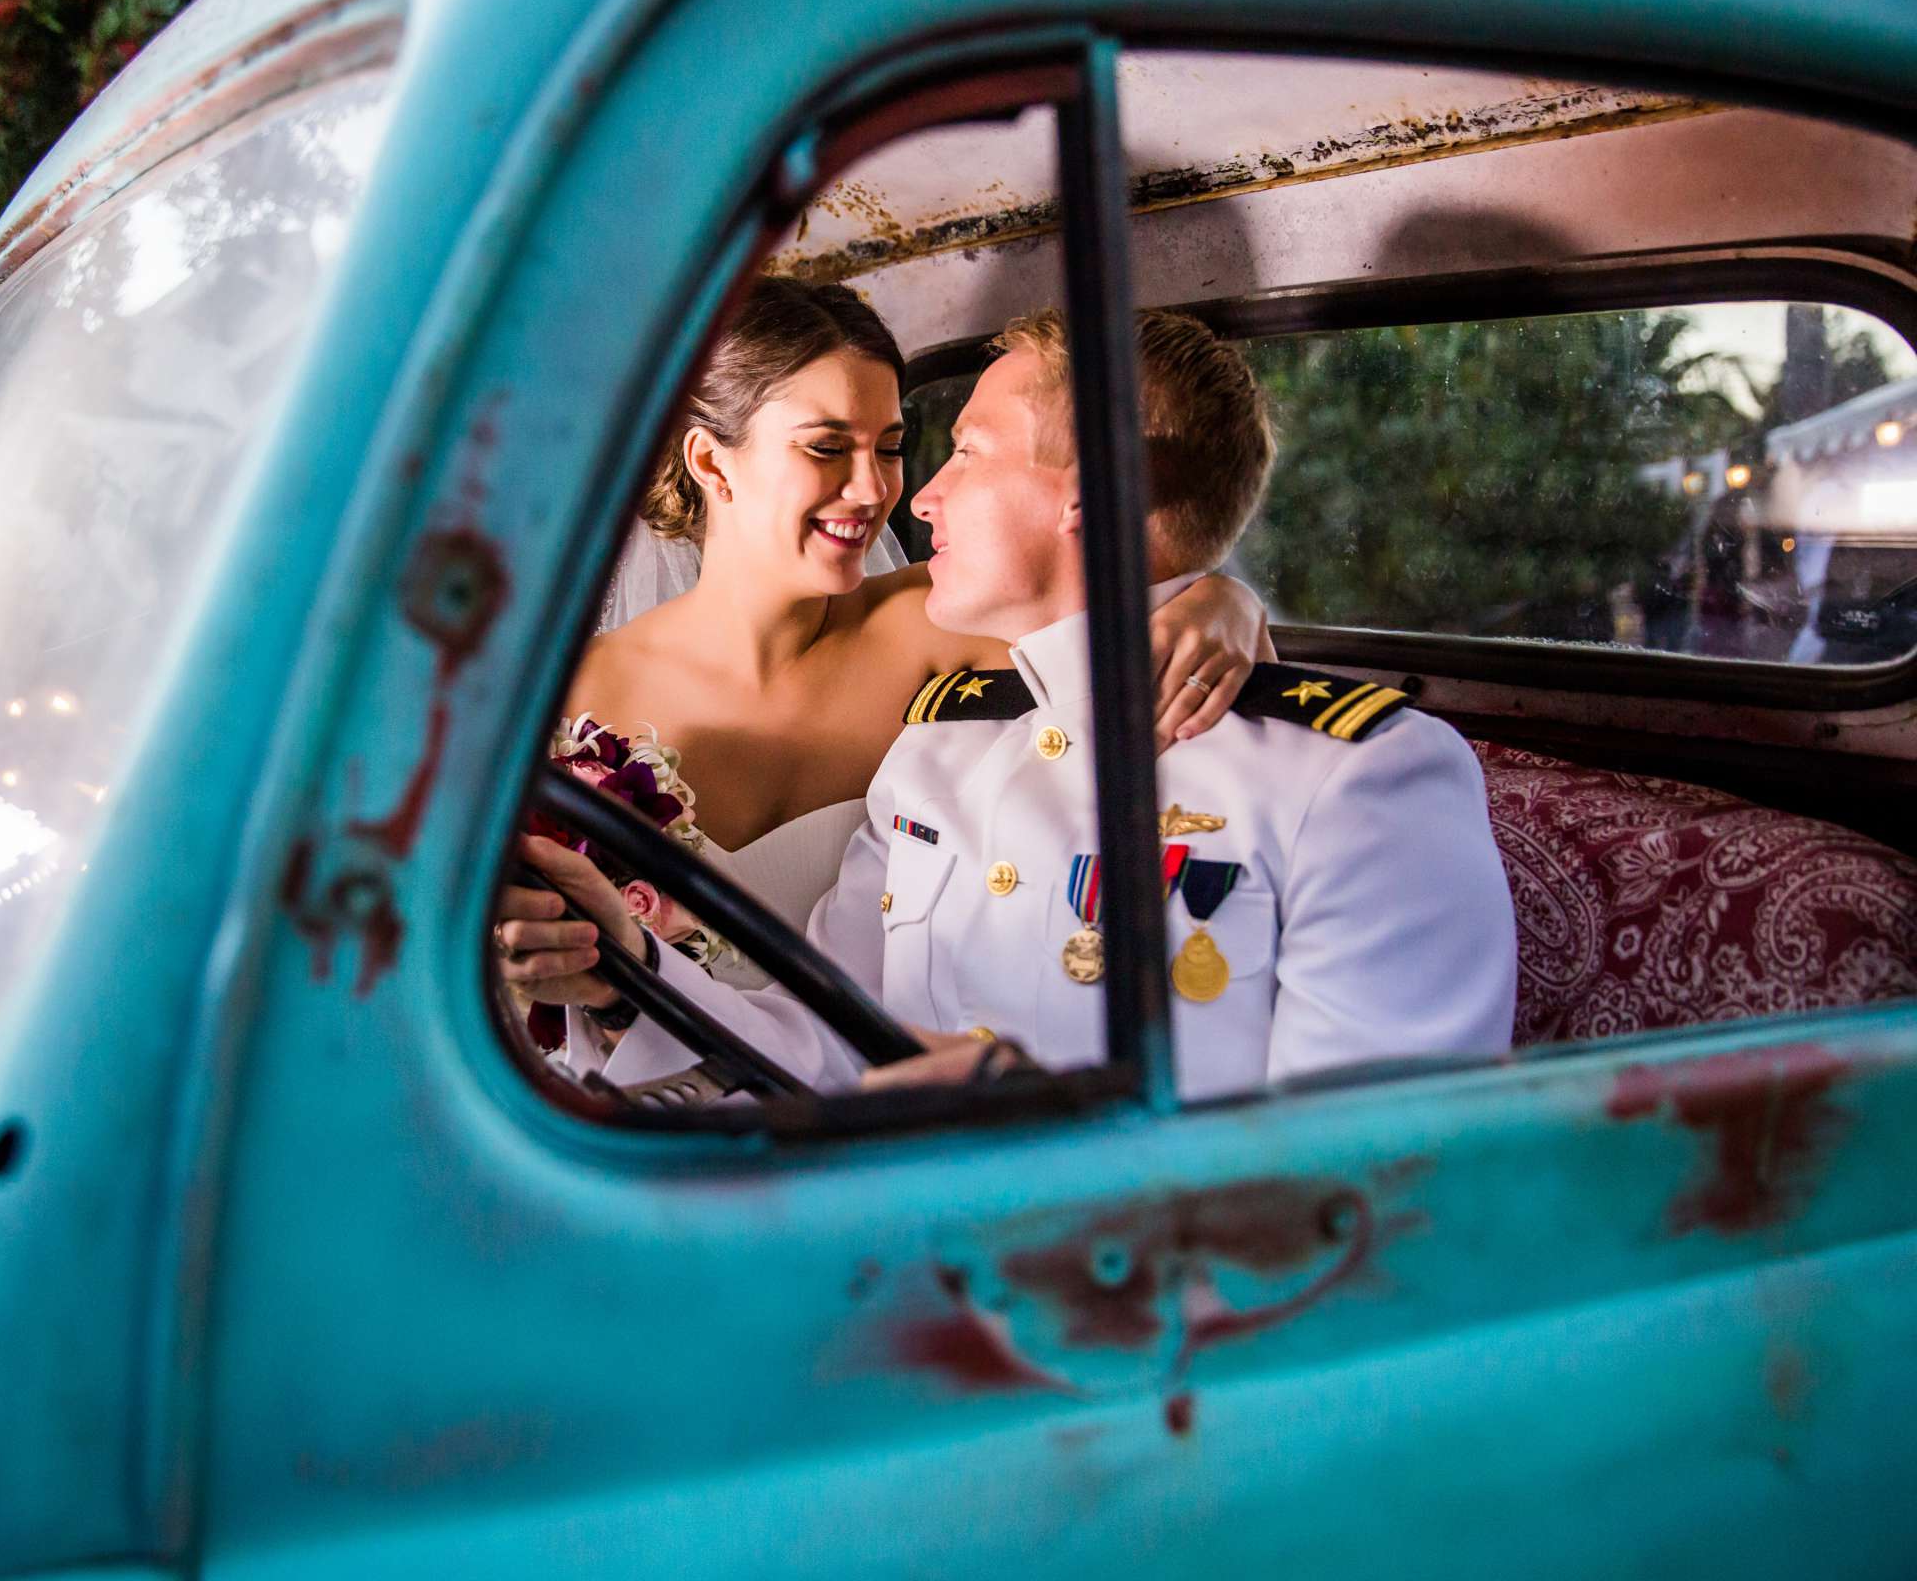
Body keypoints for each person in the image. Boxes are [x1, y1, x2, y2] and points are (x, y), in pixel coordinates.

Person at [502, 308, 1516, 1102]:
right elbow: (828, 1038)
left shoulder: (1358, 776)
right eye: (830, 446)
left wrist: (1219, 591)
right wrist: (625, 964)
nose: (912, 495)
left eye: (960, 450)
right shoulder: (936, 754)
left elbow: (1374, 1195)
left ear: (1101, 489)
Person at [560, 277, 1271, 989]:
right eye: (827, 447)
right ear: (712, 463)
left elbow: (1135, 616)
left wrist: (1223, 602)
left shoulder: (940, 618)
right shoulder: (572, 695)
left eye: (891, 448)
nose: (874, 489)